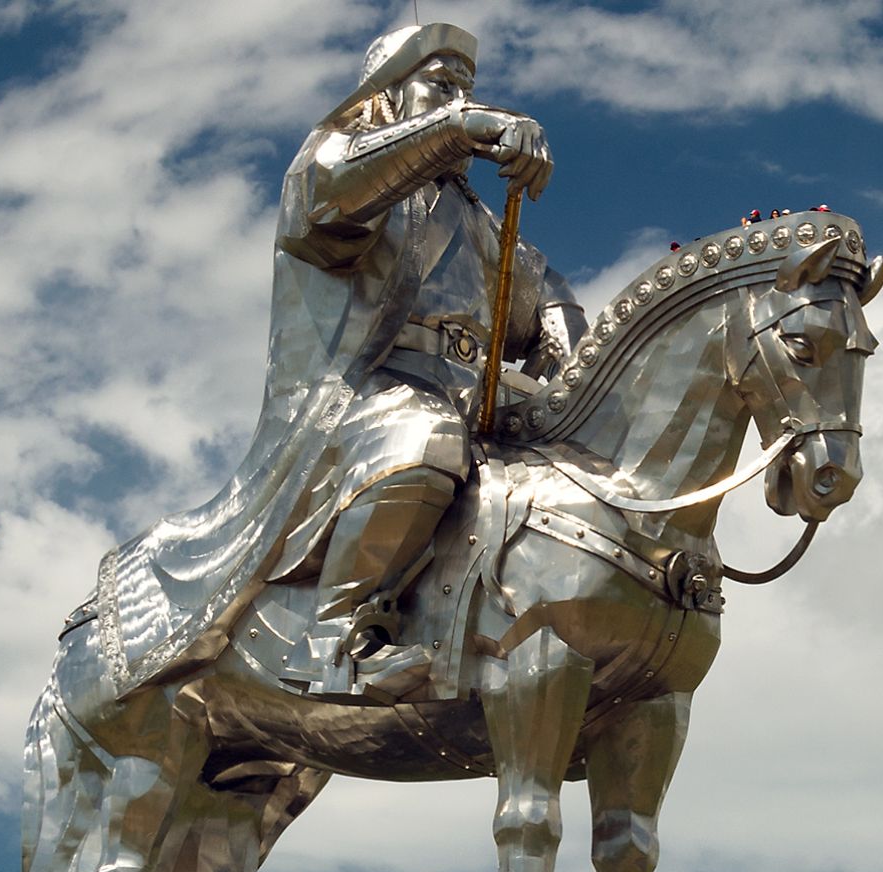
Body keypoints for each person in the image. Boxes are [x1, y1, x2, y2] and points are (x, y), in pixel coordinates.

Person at [85, 23, 585, 702]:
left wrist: (563, 338)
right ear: (387, 94)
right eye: (438, 84)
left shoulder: (477, 221)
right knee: (422, 438)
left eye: (464, 89)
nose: (454, 98)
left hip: (479, 394)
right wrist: (461, 125)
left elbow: (538, 290)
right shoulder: (335, 165)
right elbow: (338, 199)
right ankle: (342, 636)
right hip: (365, 393)